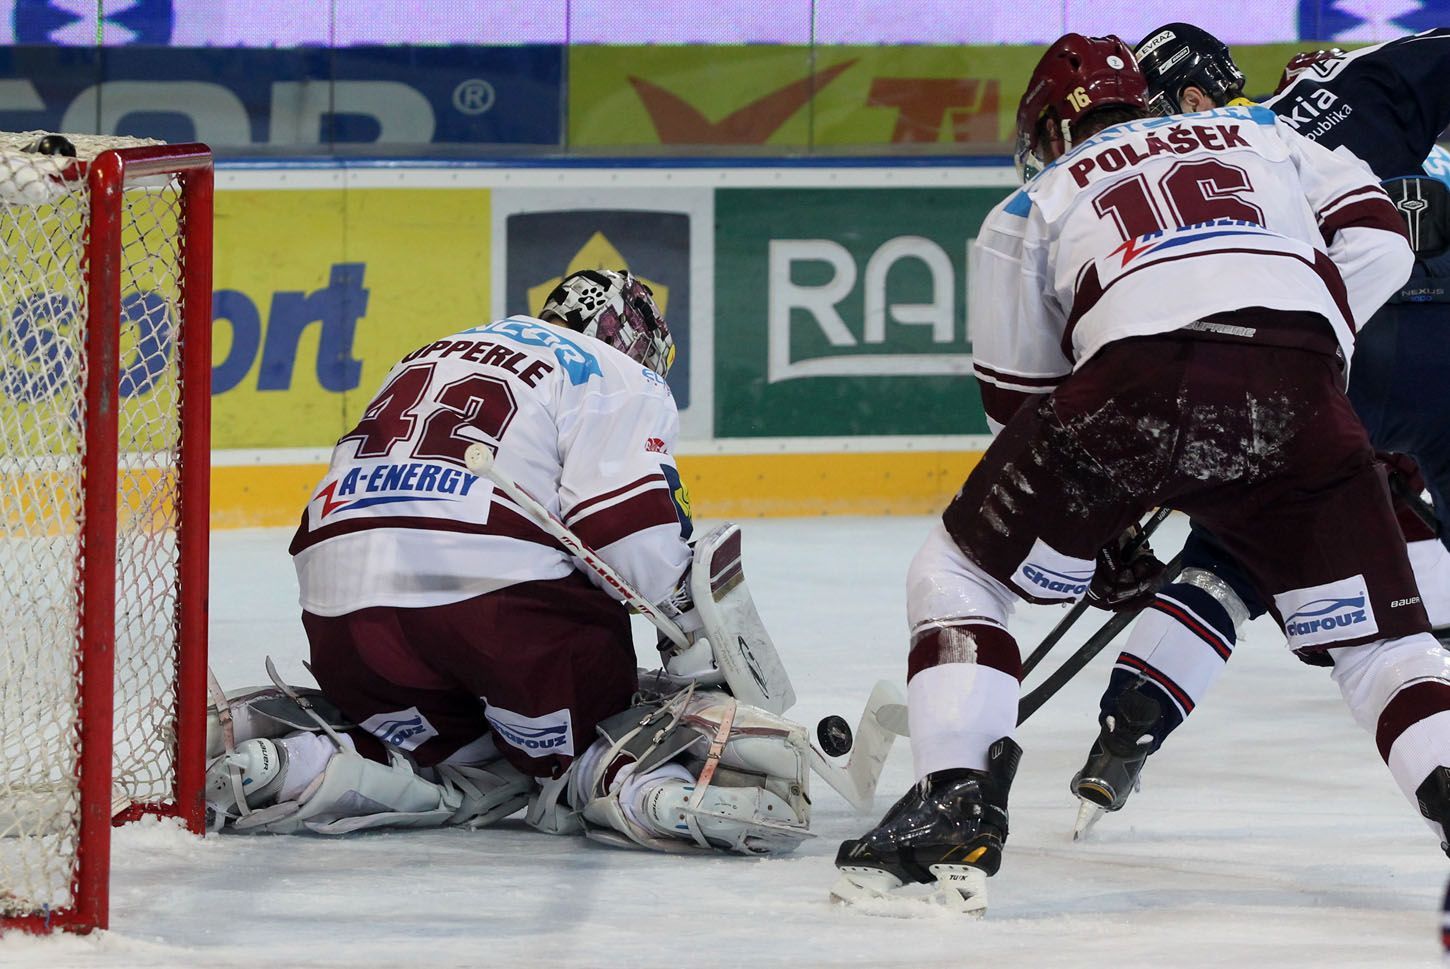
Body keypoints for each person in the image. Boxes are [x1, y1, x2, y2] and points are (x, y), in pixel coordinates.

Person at [833, 32, 1441, 914]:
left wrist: (1105, 525)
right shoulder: (1259, 135)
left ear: (1046, 128)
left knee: (959, 571)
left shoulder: (1030, 202)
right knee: (1384, 645)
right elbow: (1382, 239)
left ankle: (955, 805)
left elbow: (1021, 407)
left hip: (1133, 386)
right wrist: (1304, 342)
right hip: (1303, 385)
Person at [202, 269, 813, 855]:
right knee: (571, 760)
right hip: (496, 612)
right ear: (635, 341)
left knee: (458, 769)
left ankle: (289, 767)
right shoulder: (618, 373)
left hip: (340, 610)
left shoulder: (436, 349)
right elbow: (628, 531)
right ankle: (649, 791)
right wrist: (695, 639)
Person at [1064, 25, 1450, 833]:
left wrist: (1115, 512)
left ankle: (1132, 717)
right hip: (1415, 325)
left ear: (1194, 101)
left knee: (1233, 545)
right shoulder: (1322, 100)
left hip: (1300, 358)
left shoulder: (1137, 182)